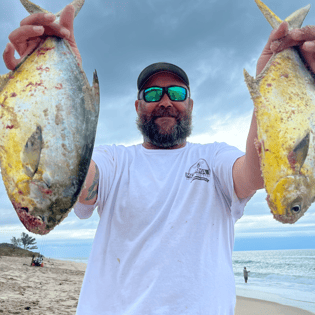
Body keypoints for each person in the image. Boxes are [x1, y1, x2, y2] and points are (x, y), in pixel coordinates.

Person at [3, 4, 315, 315]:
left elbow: (257, 174)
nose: (165, 102)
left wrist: (272, 80)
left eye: (176, 94)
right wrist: (56, 87)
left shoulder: (214, 157)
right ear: (137, 107)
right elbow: (73, 180)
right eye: (152, 95)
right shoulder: (114, 160)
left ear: (190, 104)